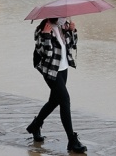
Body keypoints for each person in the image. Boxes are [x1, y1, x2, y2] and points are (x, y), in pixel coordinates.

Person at [27, 17, 87, 153]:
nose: (64, 18)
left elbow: (72, 45)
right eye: (61, 16)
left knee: (54, 101)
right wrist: (46, 35)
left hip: (63, 69)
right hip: (50, 70)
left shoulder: (62, 27)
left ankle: (35, 125)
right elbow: (46, 54)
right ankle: (72, 140)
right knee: (65, 100)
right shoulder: (41, 30)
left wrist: (72, 31)